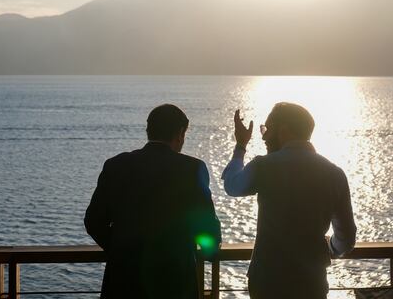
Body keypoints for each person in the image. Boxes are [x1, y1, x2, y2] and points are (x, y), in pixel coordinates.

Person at [85, 104, 221, 299]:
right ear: (181, 133)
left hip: (123, 282)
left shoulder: (116, 165)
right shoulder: (192, 169)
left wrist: (122, 250)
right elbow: (207, 229)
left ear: (149, 130)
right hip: (175, 283)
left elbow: (93, 221)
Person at [222, 102, 357, 299]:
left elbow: (232, 186)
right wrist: (331, 248)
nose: (263, 135)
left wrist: (241, 145)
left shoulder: (264, 167)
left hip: (268, 282)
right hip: (311, 282)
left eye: (267, 128)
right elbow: (346, 238)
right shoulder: (334, 173)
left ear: (284, 130)